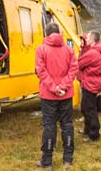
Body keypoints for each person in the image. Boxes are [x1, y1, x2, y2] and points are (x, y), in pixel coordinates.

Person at [35, 23, 79, 168]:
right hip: (66, 95)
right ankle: (68, 159)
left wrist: (54, 88)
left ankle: (47, 161)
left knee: (49, 126)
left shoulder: (41, 49)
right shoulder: (69, 49)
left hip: (48, 95)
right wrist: (63, 86)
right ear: (59, 33)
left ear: (47, 33)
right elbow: (73, 70)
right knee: (67, 124)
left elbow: (41, 71)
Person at [77, 31, 101, 142]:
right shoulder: (96, 51)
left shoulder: (92, 53)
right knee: (86, 107)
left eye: (88, 38)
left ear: (93, 40)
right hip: (92, 82)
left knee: (89, 109)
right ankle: (88, 129)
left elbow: (79, 63)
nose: (86, 39)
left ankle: (94, 133)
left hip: (90, 83)